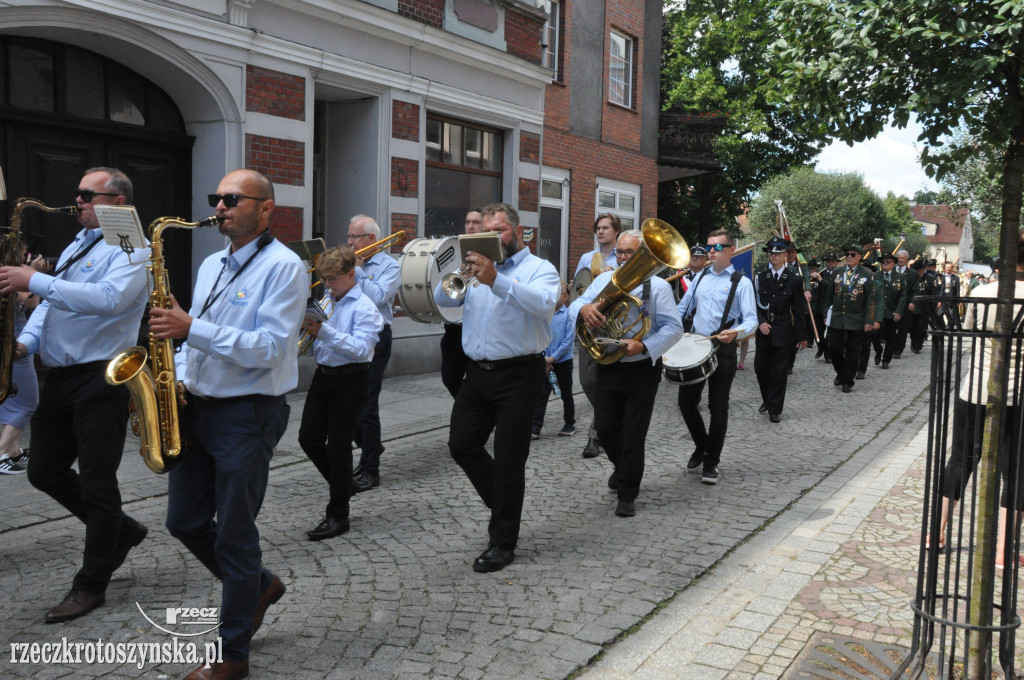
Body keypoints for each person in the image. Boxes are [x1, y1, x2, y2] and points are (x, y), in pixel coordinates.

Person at [150, 169, 307, 680]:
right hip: (198, 407)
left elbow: (270, 349)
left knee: (234, 537)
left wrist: (192, 328)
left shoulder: (285, 268)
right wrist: (178, 372)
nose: (219, 206)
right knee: (184, 522)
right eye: (217, 198)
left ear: (266, 209)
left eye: (232, 199)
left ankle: (231, 655)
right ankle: (259, 586)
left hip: (248, 414)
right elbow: (203, 334)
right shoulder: (213, 262)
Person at [0, 167, 150, 622]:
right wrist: (25, 345)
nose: (78, 201)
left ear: (118, 202)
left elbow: (109, 299)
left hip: (103, 377)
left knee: (99, 481)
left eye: (89, 195)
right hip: (62, 375)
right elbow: (52, 306)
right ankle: (120, 532)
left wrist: (33, 279)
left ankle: (91, 583)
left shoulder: (133, 247)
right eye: (79, 193)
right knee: (43, 471)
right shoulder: (80, 242)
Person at [433, 202, 559, 573]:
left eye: (499, 231)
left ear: (518, 232)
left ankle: (502, 541)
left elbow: (544, 305)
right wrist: (459, 273)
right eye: (484, 233)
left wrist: (497, 280)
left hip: (520, 375)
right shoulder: (474, 270)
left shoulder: (540, 269)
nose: (492, 240)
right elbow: (443, 299)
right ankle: (503, 502)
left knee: (508, 459)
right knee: (461, 444)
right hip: (478, 374)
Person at [571, 230, 683, 516]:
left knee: (633, 433)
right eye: (620, 252)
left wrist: (644, 345)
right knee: (606, 429)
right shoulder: (603, 280)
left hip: (642, 369)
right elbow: (573, 304)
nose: (622, 257)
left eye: (629, 253)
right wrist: (584, 309)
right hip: (609, 365)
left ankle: (627, 493)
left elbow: (674, 329)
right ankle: (623, 470)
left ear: (642, 254)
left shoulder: (657, 287)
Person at [934, 241, 1024, 569]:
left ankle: (937, 532)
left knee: (960, 459)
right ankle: (1003, 550)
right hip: (1016, 394)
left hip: (975, 388)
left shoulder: (983, 293)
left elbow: (969, 330)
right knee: (1015, 472)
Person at [298, 246, 383, 540]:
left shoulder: (365, 308)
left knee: (337, 446)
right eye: (325, 279)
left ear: (350, 274)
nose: (329, 285)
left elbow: (362, 349)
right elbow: (322, 341)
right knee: (307, 438)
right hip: (324, 376)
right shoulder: (327, 300)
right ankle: (344, 484)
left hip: (352, 379)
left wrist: (323, 332)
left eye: (334, 279)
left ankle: (338, 514)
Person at [677, 229, 757, 484]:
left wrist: (735, 332)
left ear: (731, 250)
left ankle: (712, 462)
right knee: (686, 403)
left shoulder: (740, 282)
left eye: (717, 247)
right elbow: (682, 308)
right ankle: (703, 446)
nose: (711, 251)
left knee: (717, 406)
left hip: (723, 348)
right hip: (697, 345)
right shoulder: (699, 279)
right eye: (709, 247)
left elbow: (752, 319)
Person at [349, 215, 401, 493]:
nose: (349, 242)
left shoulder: (389, 265)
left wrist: (356, 271)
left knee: (367, 402)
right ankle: (372, 445)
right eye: (349, 237)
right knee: (353, 402)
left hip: (377, 337)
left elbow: (378, 297)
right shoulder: (351, 262)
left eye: (354, 237)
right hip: (350, 334)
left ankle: (371, 469)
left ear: (371, 239)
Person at [575, 213, 621, 460]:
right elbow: (578, 290)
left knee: (605, 380)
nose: (600, 231)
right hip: (590, 324)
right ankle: (610, 417)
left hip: (614, 323)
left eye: (605, 228)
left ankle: (595, 435)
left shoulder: (624, 256)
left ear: (616, 231)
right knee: (587, 381)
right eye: (598, 228)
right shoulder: (586, 258)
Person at [0, 248, 49, 475]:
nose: (25, 253)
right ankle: (1, 453)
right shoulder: (10, 275)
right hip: (17, 343)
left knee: (9, 399)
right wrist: (34, 276)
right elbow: (31, 304)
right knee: (28, 402)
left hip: (9, 341)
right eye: (22, 249)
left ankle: (13, 452)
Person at [753, 237, 808, 423]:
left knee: (778, 372)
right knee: (760, 369)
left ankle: (774, 408)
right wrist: (761, 321)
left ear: (785, 255)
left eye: (777, 253)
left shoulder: (794, 279)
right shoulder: (760, 278)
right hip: (764, 330)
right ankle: (767, 399)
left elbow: (799, 310)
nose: (773, 256)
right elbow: (754, 304)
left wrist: (803, 337)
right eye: (771, 253)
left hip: (784, 331)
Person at [821, 244, 876, 393]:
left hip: (856, 318)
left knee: (853, 351)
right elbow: (829, 296)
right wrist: (826, 314)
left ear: (859, 257)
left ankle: (847, 380)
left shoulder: (866, 274)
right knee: (833, 348)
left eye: (853, 255)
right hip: (838, 317)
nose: (849, 257)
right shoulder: (838, 272)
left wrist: (869, 321)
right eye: (847, 255)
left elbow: (870, 300)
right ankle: (841, 372)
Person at [440, 209, 482, 398]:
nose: (470, 227)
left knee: (477, 378)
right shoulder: (457, 254)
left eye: (476, 223)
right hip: (454, 328)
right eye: (468, 222)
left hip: (477, 328)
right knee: (450, 378)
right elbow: (442, 298)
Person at [532, 281, 575, 439]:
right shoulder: (545, 314)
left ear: (565, 296)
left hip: (563, 361)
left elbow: (568, 340)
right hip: (544, 361)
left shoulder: (568, 314)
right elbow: (539, 334)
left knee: (566, 393)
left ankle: (569, 422)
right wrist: (544, 357)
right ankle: (536, 426)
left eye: (559, 293)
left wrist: (553, 357)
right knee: (541, 394)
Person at [872, 252, 908, 370]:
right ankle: (878, 350)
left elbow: (903, 296)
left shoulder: (900, 277)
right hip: (878, 312)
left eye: (888, 262)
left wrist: (898, 311)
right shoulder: (875, 276)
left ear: (894, 263)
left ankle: (886, 359)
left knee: (891, 337)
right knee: (875, 334)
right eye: (883, 262)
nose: (885, 264)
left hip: (892, 311)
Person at [855, 262, 884, 380]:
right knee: (852, 345)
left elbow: (879, 303)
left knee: (866, 345)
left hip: (869, 318)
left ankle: (862, 369)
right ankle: (853, 367)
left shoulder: (877, 285)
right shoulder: (855, 282)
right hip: (855, 318)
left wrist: (877, 320)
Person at [892, 250, 919, 358]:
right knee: (891, 328)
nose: (900, 260)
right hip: (892, 304)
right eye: (898, 257)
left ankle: (898, 350)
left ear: (906, 259)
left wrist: (913, 302)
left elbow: (915, 290)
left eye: (902, 258)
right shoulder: (891, 270)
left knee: (903, 328)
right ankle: (891, 347)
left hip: (906, 304)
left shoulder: (913, 274)